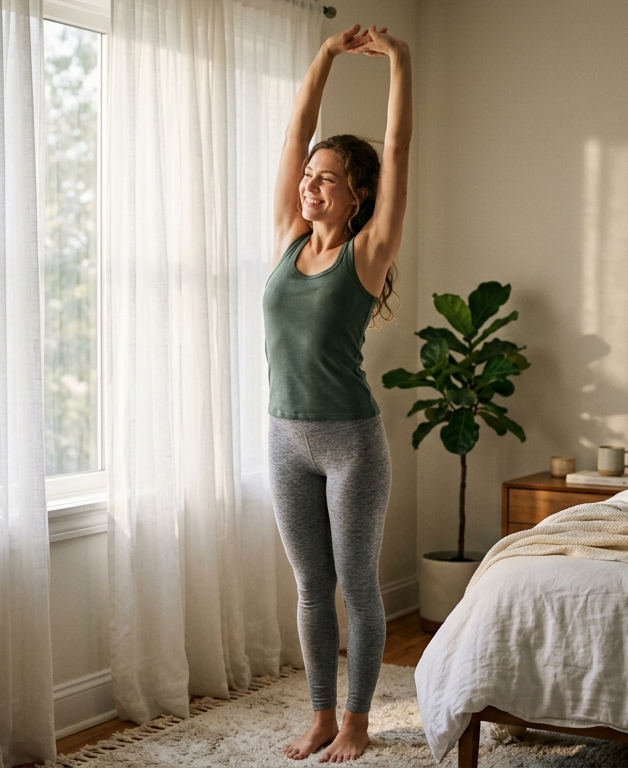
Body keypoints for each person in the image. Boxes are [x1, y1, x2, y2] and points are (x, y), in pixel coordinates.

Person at [262, 22, 412, 764]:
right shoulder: (291, 237)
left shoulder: (369, 250)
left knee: (357, 586)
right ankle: (321, 715)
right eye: (308, 175)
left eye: (326, 178)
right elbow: (296, 132)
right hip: (285, 438)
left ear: (357, 196)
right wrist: (322, 55)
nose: (308, 184)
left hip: (350, 442)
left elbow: (401, 149)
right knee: (310, 587)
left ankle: (358, 721)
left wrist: (401, 63)